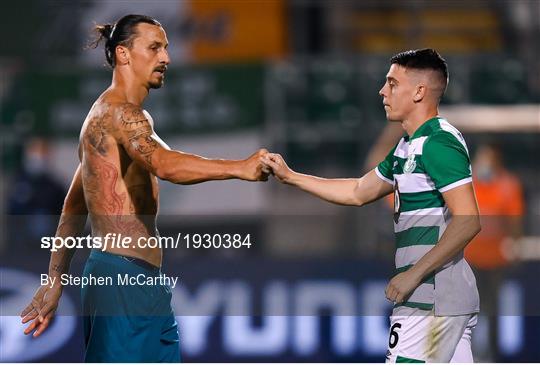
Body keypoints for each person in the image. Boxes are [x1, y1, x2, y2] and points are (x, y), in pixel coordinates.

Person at [20, 14, 268, 362]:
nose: (166, 57)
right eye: (154, 47)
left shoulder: (104, 117)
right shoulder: (120, 114)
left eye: (165, 48)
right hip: (123, 280)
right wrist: (239, 168)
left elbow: (74, 206)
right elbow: (165, 165)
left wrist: (55, 279)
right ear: (123, 53)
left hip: (139, 281)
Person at [262, 49, 481, 362]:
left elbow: (469, 220)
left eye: (392, 83)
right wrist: (292, 176)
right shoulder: (407, 146)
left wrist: (413, 275)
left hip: (430, 297)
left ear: (419, 92)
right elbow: (357, 191)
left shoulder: (438, 142)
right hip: (443, 295)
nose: (382, 90)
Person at [465, 142, 525, 361]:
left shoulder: (508, 185)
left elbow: (515, 221)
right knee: (466, 311)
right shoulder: (468, 183)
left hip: (496, 260)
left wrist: (514, 246)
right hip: (469, 260)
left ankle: (492, 356)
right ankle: (466, 355)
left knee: (493, 312)